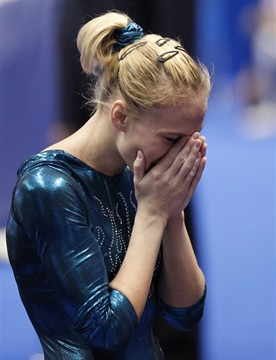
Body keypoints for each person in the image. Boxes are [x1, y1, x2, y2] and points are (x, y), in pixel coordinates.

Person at [6, 11, 211, 360]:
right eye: (172, 138)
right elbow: (105, 331)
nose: (182, 154)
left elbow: (184, 312)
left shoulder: (141, 172)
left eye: (192, 138)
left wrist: (172, 214)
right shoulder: (48, 188)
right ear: (120, 116)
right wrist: (152, 214)